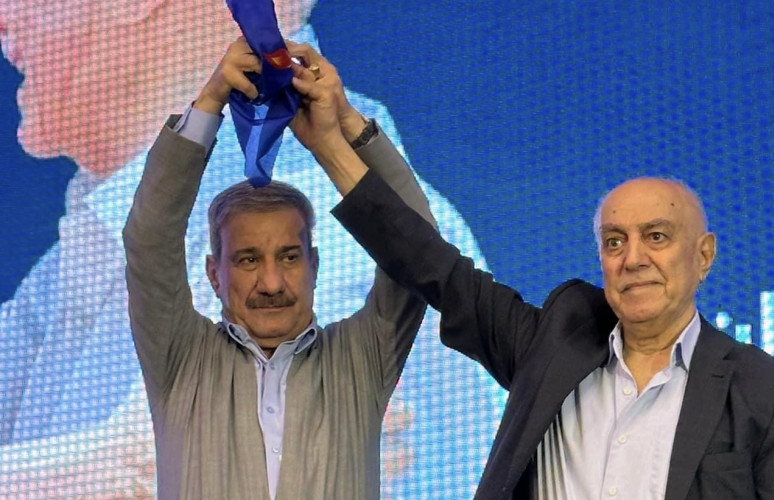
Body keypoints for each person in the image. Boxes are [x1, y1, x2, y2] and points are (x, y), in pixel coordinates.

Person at [0, 0, 501, 496]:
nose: (3, 16)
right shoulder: (77, 266)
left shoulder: (331, 237)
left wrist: (128, 469)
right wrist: (114, 469)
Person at [293, 57, 774, 496]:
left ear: (703, 256)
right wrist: (334, 138)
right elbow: (432, 266)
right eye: (614, 241)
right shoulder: (552, 346)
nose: (633, 258)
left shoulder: (770, 392)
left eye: (656, 237)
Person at [123, 38, 435, 499]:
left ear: (315, 265)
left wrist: (344, 124)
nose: (271, 283)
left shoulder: (362, 358)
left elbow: (418, 246)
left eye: (289, 257)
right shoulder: (182, 360)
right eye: (248, 260)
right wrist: (210, 101)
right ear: (214, 275)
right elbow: (149, 239)